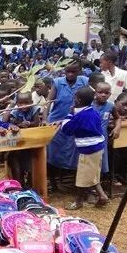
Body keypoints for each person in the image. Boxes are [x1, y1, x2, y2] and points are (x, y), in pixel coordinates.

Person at [55, 86, 109, 209]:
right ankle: (102, 195)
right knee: (93, 173)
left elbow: (66, 129)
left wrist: (70, 113)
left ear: (78, 100)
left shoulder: (81, 115)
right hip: (98, 148)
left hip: (88, 150)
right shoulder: (93, 111)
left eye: (75, 97)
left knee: (82, 178)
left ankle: (78, 202)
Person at [46, 60, 90, 190]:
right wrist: (45, 119)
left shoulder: (84, 81)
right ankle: (53, 182)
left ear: (79, 71)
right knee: (53, 153)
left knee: (75, 153)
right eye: (67, 71)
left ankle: (76, 183)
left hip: (75, 122)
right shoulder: (57, 82)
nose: (70, 74)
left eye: (73, 72)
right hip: (56, 122)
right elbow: (48, 102)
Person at [7, 92, 42, 188]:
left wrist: (29, 123)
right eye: (20, 103)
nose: (23, 106)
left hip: (32, 141)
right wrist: (19, 125)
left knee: (31, 164)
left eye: (26, 103)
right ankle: (20, 185)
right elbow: (11, 123)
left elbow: (36, 122)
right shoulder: (14, 111)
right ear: (17, 103)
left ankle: (30, 184)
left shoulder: (35, 109)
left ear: (31, 102)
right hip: (19, 142)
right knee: (17, 161)